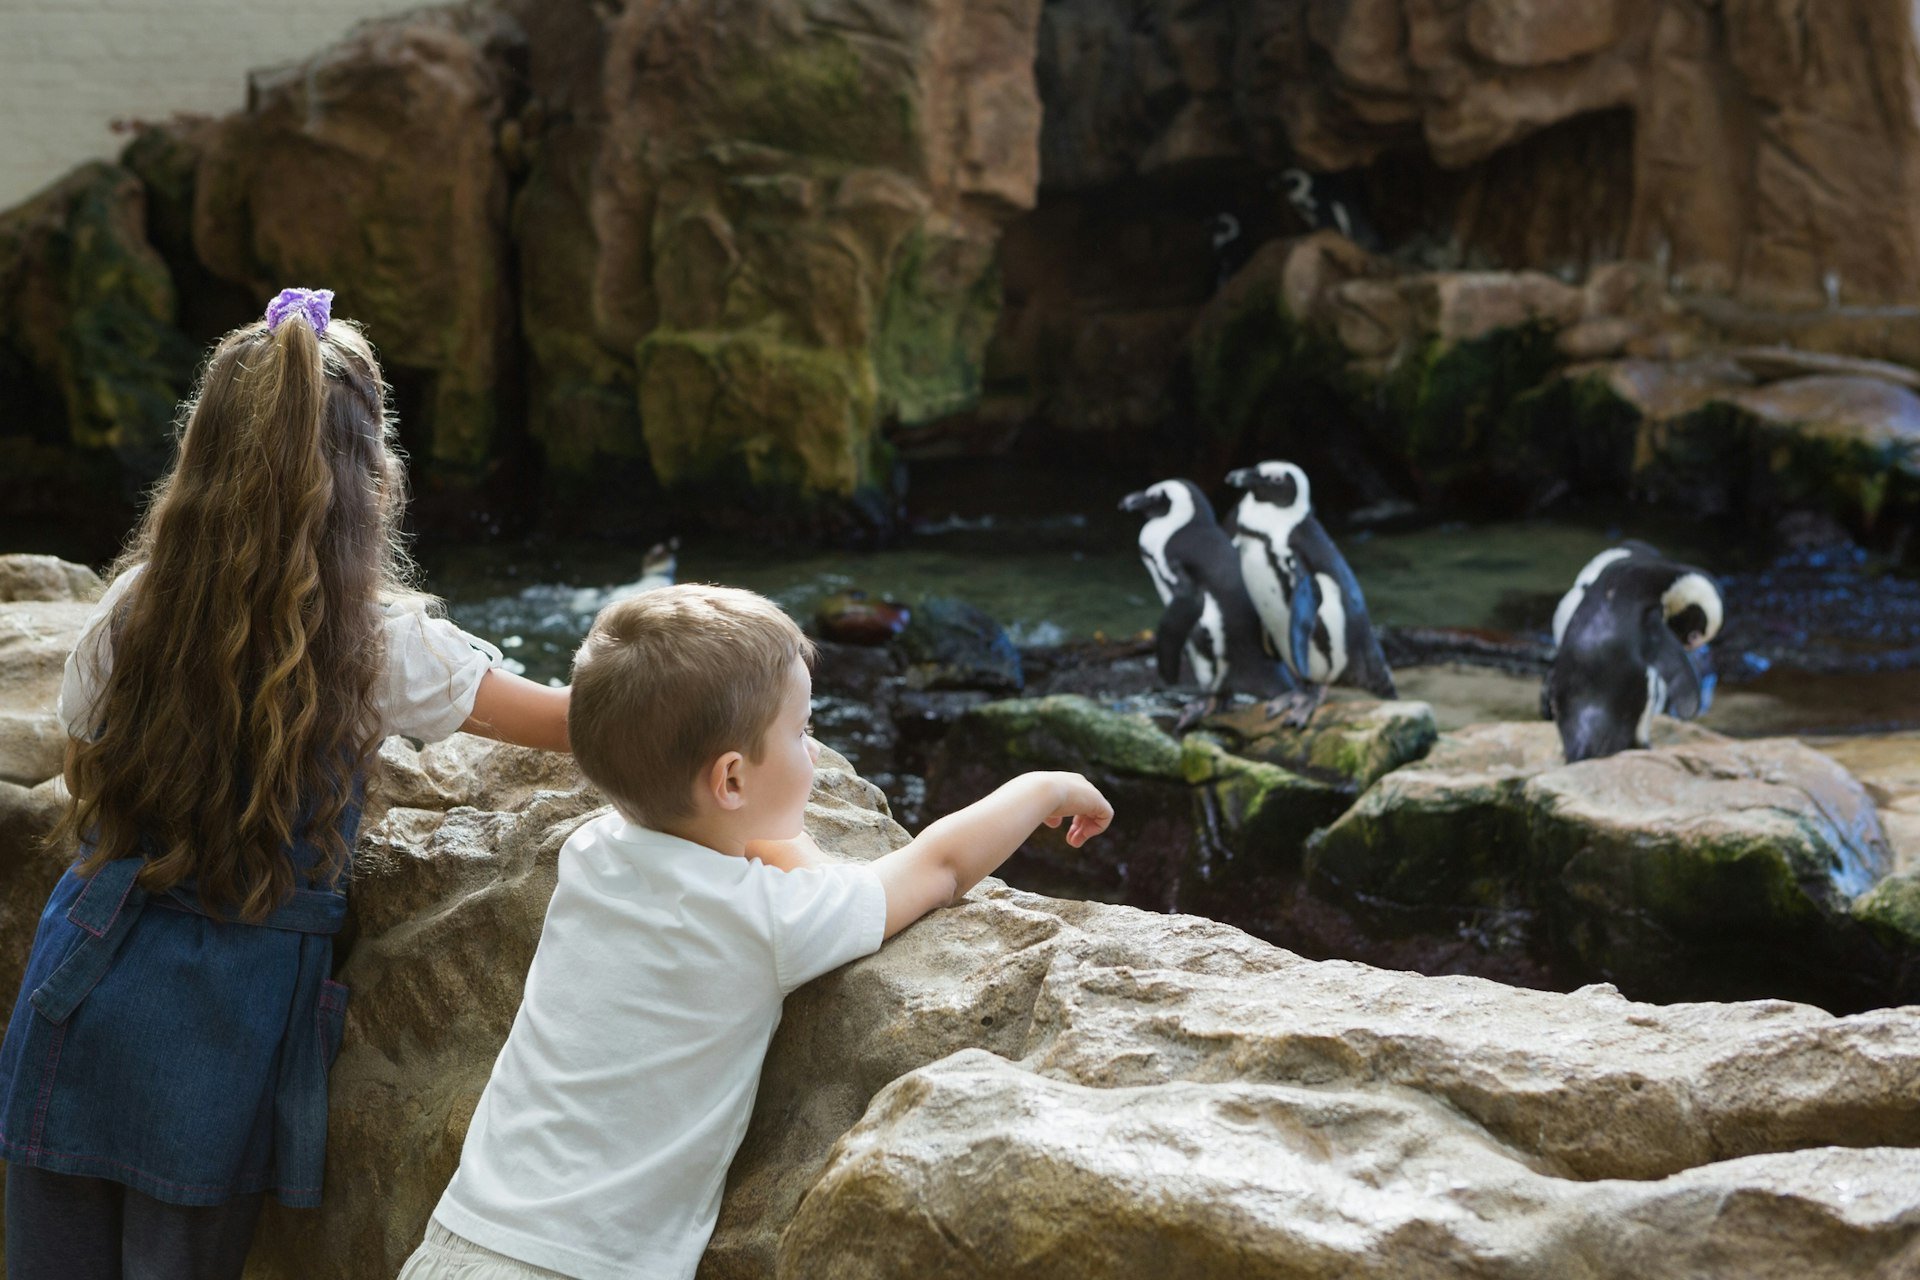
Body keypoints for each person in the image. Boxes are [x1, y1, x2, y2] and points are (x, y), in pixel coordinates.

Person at [0, 288, 572, 1280]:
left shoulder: (135, 605)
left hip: (82, 977)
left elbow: (82, 725)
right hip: (222, 1021)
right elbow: (578, 722)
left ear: (202, 454)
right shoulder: (381, 643)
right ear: (371, 476)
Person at [401, 584, 1114, 1280]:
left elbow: (750, 847)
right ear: (732, 781)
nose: (813, 752)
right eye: (802, 732)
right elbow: (942, 867)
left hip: (461, 1235)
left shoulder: (593, 853)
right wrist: (1043, 788)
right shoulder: (769, 919)